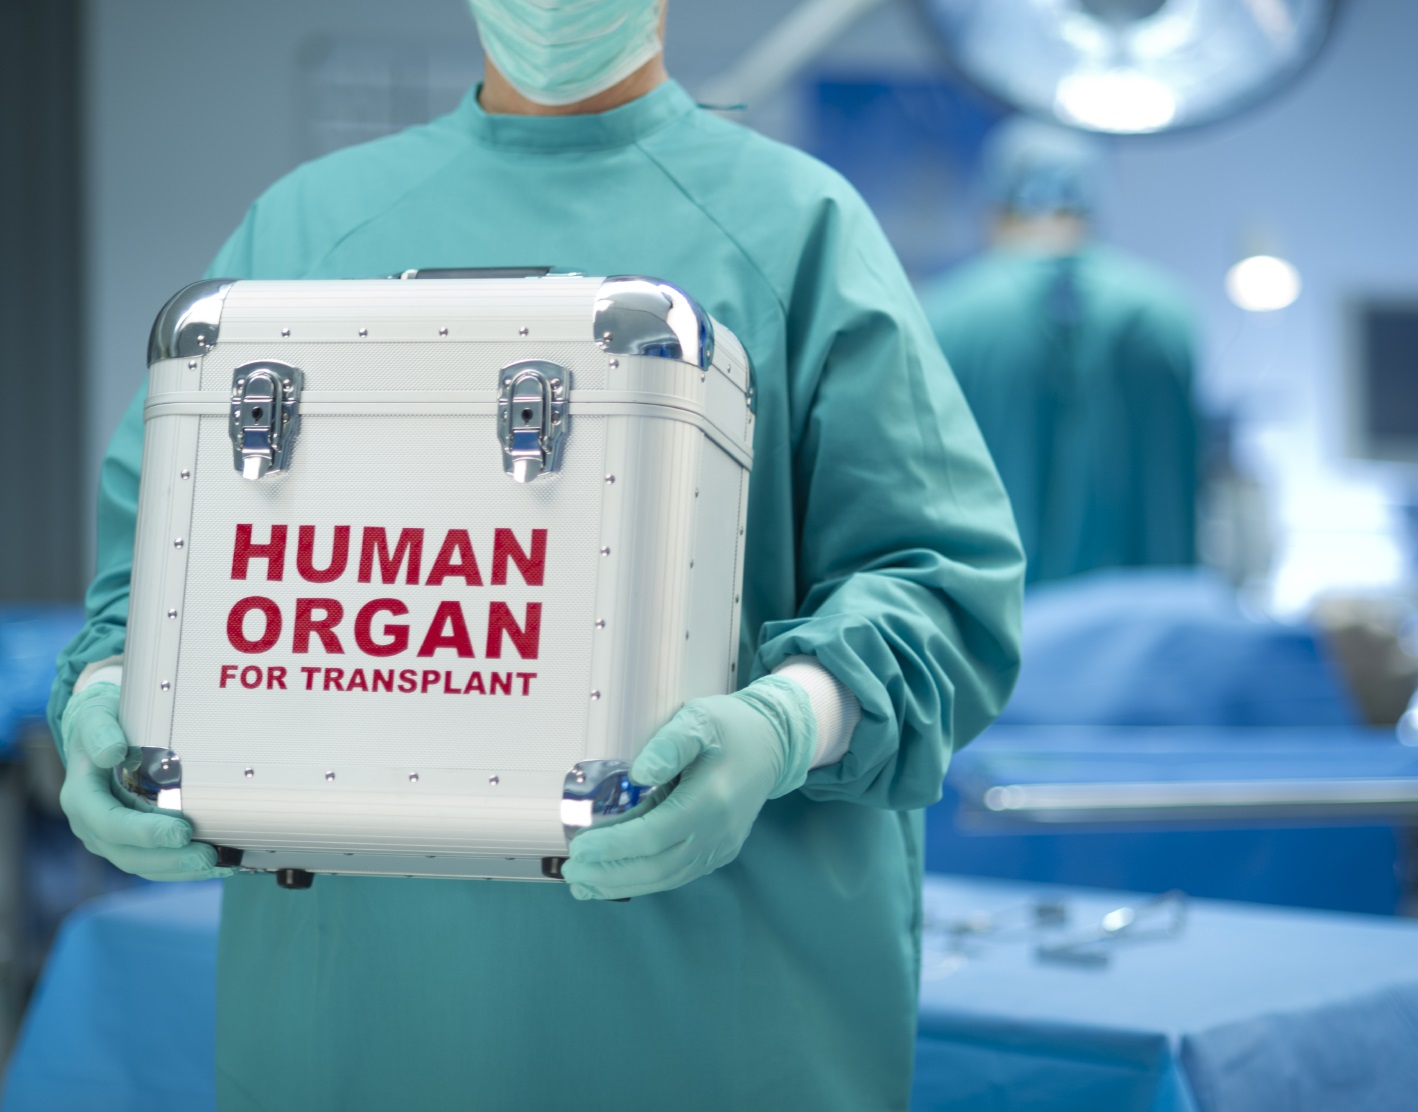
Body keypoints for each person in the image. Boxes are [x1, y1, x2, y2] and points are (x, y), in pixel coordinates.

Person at [50, 2, 1024, 1108]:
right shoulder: (305, 230)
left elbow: (944, 591)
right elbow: (154, 581)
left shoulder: (797, 227)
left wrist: (783, 725)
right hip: (357, 1029)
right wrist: (101, 705)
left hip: (712, 1028)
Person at [923, 116, 1200, 585]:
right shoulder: (1165, 316)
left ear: (994, 208)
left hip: (990, 645)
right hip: (1144, 641)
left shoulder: (945, 318)